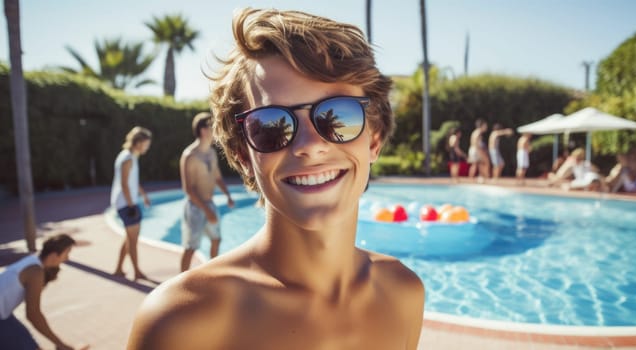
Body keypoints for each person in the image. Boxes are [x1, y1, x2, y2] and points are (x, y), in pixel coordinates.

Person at [127, 8, 425, 350]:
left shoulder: (403, 294)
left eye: (338, 116)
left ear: (374, 139)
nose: (311, 146)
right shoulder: (182, 322)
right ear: (243, 154)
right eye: (271, 125)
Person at [0, 234, 86, 350]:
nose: (67, 258)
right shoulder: (36, 272)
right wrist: (59, 343)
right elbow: (33, 314)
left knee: (29, 344)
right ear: (53, 256)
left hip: (4, 315)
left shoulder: (33, 261)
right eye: (67, 253)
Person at [179, 112, 235, 272]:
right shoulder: (189, 156)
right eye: (213, 126)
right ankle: (181, 282)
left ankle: (212, 275)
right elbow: (188, 189)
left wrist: (228, 195)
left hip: (210, 204)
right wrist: (206, 210)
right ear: (203, 130)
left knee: (216, 239)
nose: (216, 130)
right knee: (190, 248)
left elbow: (217, 177)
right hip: (195, 208)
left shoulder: (211, 153)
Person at [111, 126, 152, 280]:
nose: (147, 147)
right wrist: (131, 206)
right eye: (146, 144)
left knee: (129, 238)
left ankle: (119, 269)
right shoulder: (127, 158)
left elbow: (132, 182)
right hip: (126, 204)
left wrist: (143, 195)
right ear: (138, 142)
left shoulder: (131, 156)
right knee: (133, 240)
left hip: (127, 202)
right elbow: (124, 184)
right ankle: (137, 272)